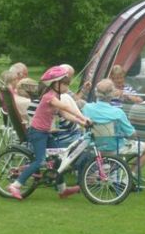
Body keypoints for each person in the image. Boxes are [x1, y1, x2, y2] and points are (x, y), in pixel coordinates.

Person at [7, 66, 90, 201]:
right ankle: (15, 185)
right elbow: (66, 107)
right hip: (37, 133)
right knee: (40, 161)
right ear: (56, 84)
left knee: (57, 159)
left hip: (45, 132)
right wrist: (83, 117)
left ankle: (62, 190)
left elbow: (65, 114)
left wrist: (81, 121)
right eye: (65, 84)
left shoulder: (56, 96)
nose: (67, 87)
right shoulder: (49, 97)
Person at [82, 79, 145, 177]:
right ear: (112, 94)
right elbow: (132, 134)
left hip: (93, 146)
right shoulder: (118, 112)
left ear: (96, 92)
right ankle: (129, 175)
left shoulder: (86, 108)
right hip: (115, 148)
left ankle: (110, 171)